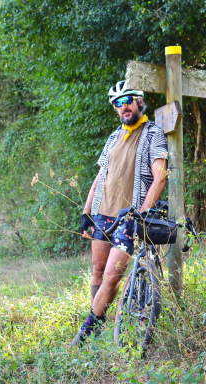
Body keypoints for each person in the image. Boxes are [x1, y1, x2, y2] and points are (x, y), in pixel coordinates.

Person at [68, 80, 168, 347]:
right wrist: (86, 212)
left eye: (127, 100)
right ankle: (99, 327)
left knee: (113, 277)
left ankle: (85, 334)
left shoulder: (152, 133)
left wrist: (142, 214)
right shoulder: (113, 136)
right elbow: (101, 175)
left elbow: (160, 178)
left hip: (129, 216)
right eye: (117, 103)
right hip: (102, 213)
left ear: (139, 101)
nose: (123, 106)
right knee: (98, 271)